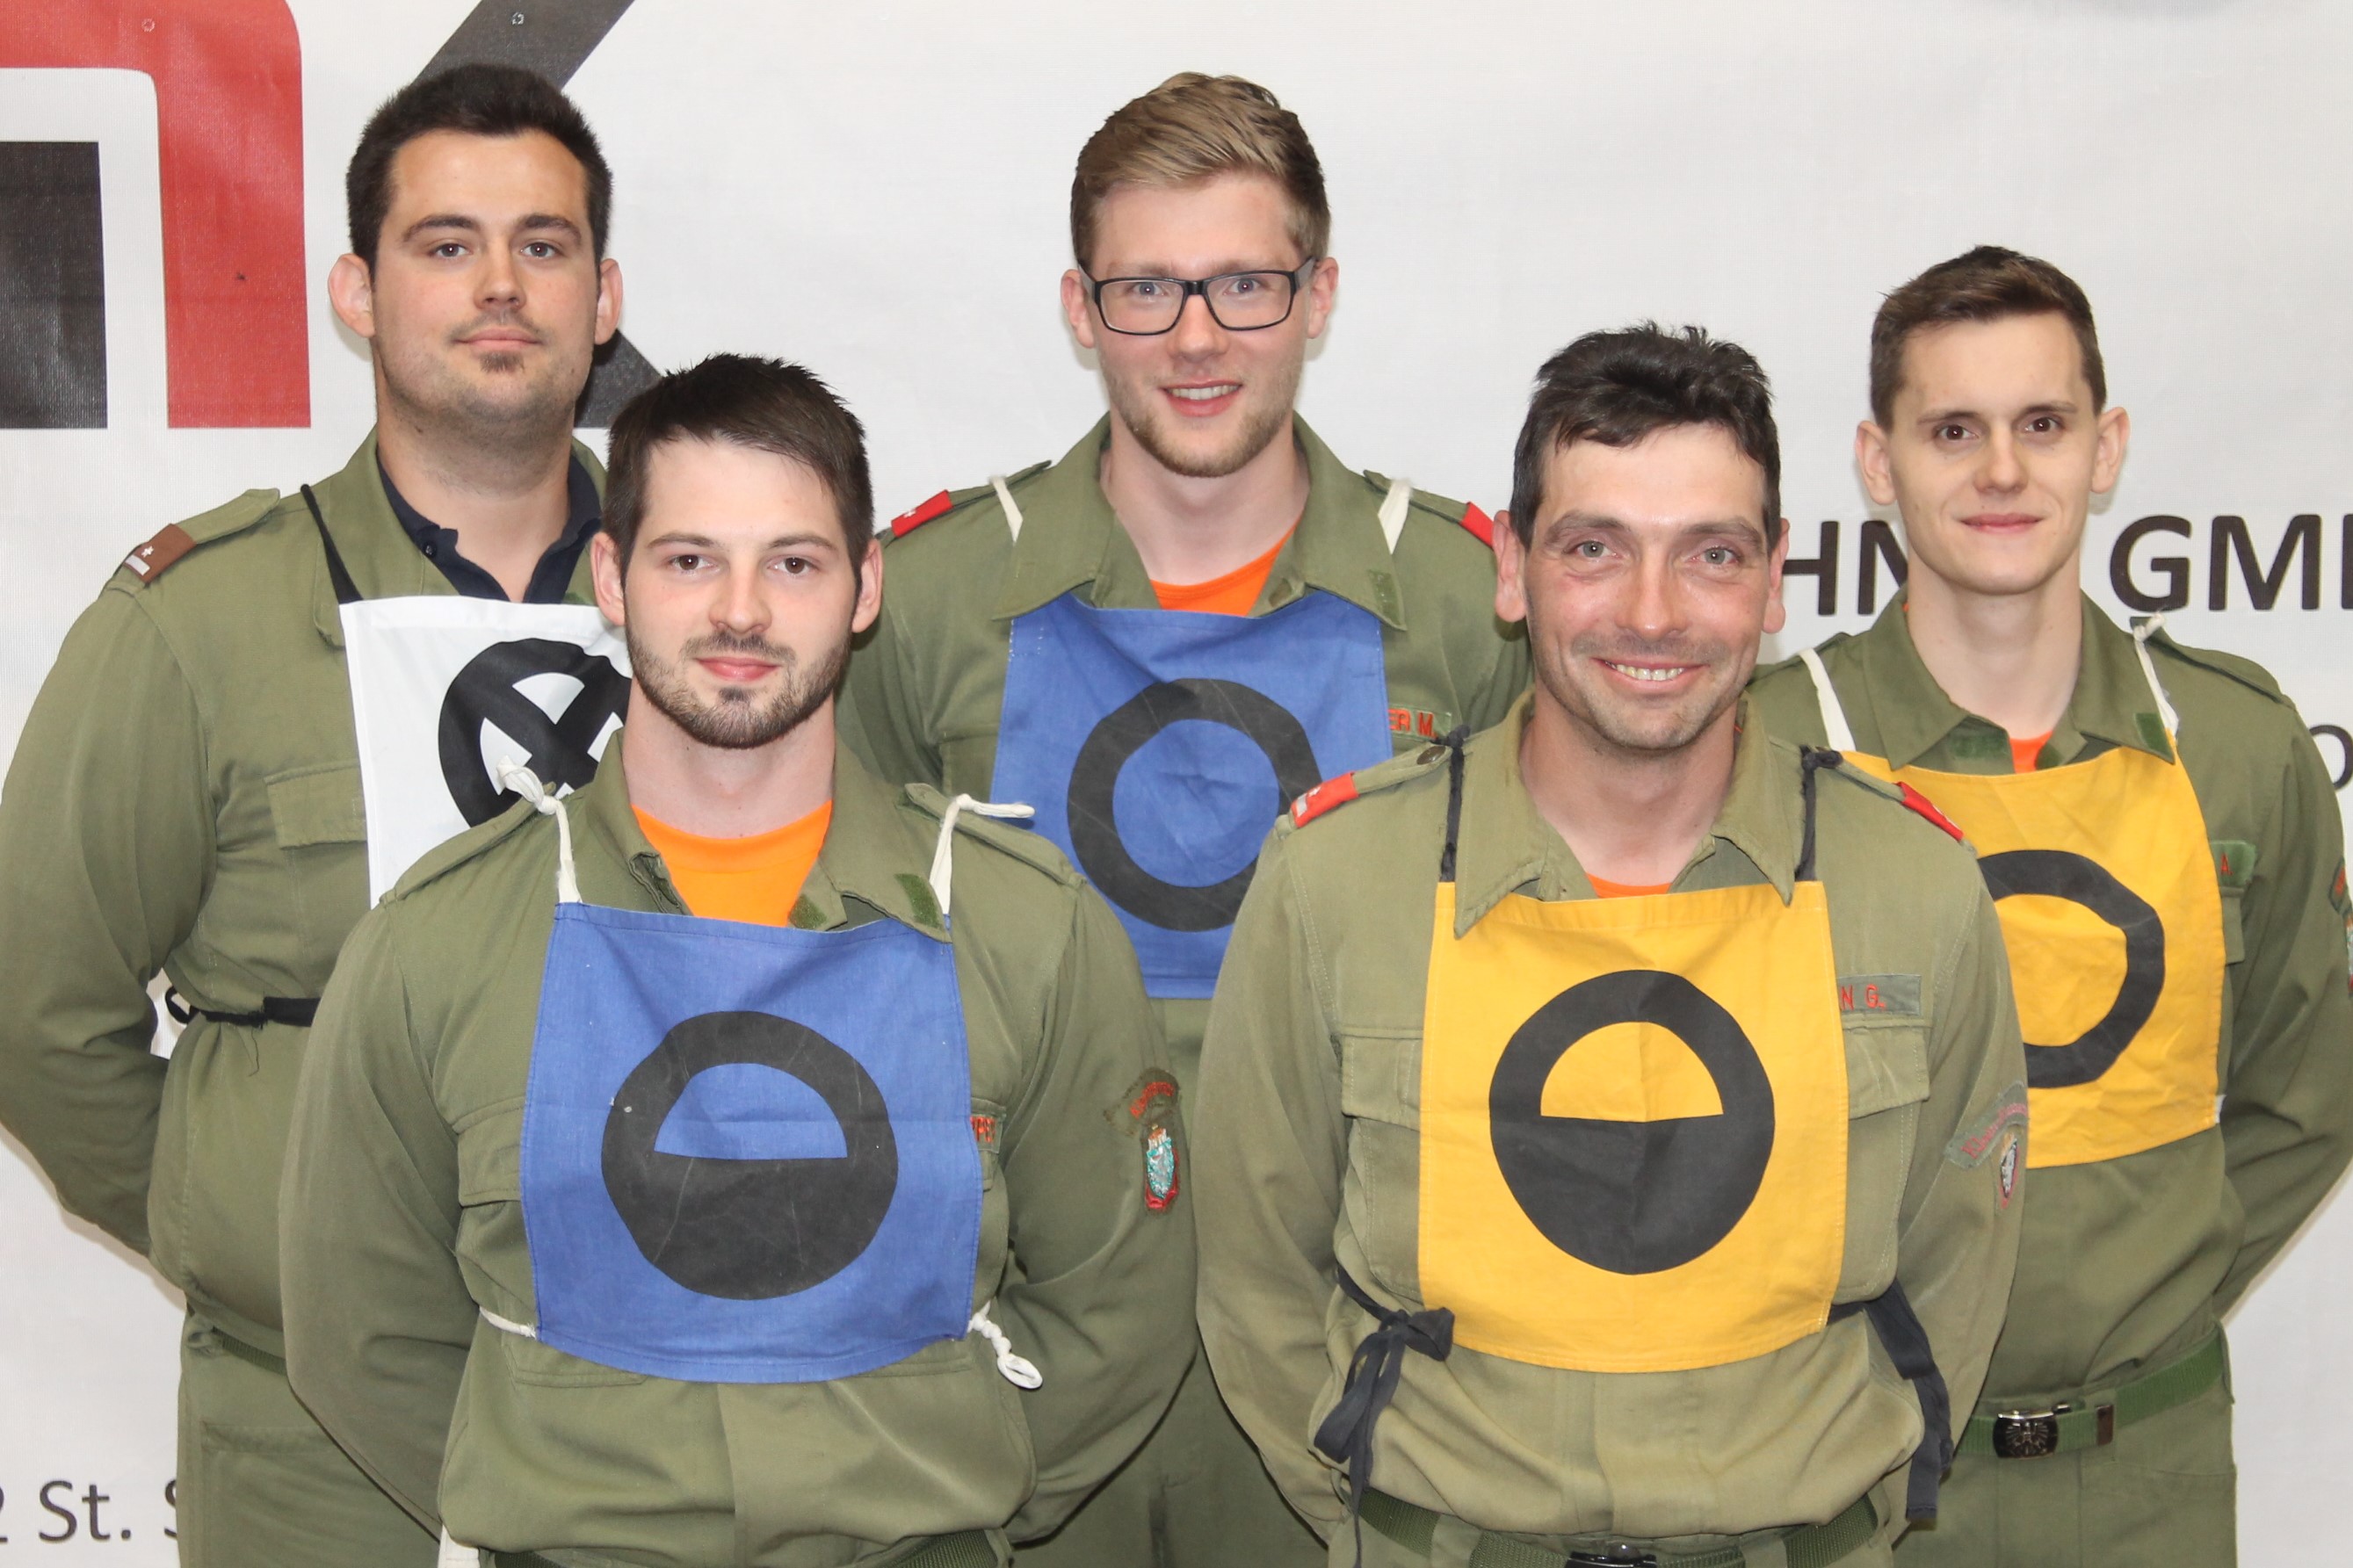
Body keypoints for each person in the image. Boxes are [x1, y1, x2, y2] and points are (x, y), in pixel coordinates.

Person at [279, 353, 1195, 1567]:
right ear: (612, 578)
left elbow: (1117, 1310)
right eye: (690, 560)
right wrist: (549, 1508)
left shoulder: (1026, 930)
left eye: (794, 563)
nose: (742, 613)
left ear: (866, 586)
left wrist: (954, 1495)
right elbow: (363, 1330)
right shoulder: (441, 939)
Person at [1196, 324, 2029, 1568]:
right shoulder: (1336, 883)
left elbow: (1960, 1268)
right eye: (1594, 548)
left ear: (1775, 580)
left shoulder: (1913, 885)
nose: (1652, 612)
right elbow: (1255, 1277)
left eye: (1711, 555)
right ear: (1512, 568)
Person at [838, 72, 1526, 1567]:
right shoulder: (929, 598)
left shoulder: (1466, 603)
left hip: (1354, 1363)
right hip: (1013, 1353)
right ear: (1080, 311)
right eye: (1146, 288)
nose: (1196, 337)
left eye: (1243, 284)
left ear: (1316, 296)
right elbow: (823, 942)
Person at [0, 62, 626, 1564]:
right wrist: (243, 1218)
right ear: (357, 292)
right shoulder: (199, 624)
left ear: (604, 299)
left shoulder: (732, 613)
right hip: (309, 1439)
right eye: (445, 243)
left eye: (543, 245)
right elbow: (35, 1002)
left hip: (661, 1414)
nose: (499, 285)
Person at [1748, 246, 2353, 1566]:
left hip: (2152, 1477)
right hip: (1851, 1474)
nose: (2002, 472)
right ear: (1876, 461)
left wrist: (2149, 1280)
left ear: (2105, 446)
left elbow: (2306, 1098)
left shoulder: (2235, 745)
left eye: (2042, 424)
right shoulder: (1767, 753)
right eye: (1952, 430)